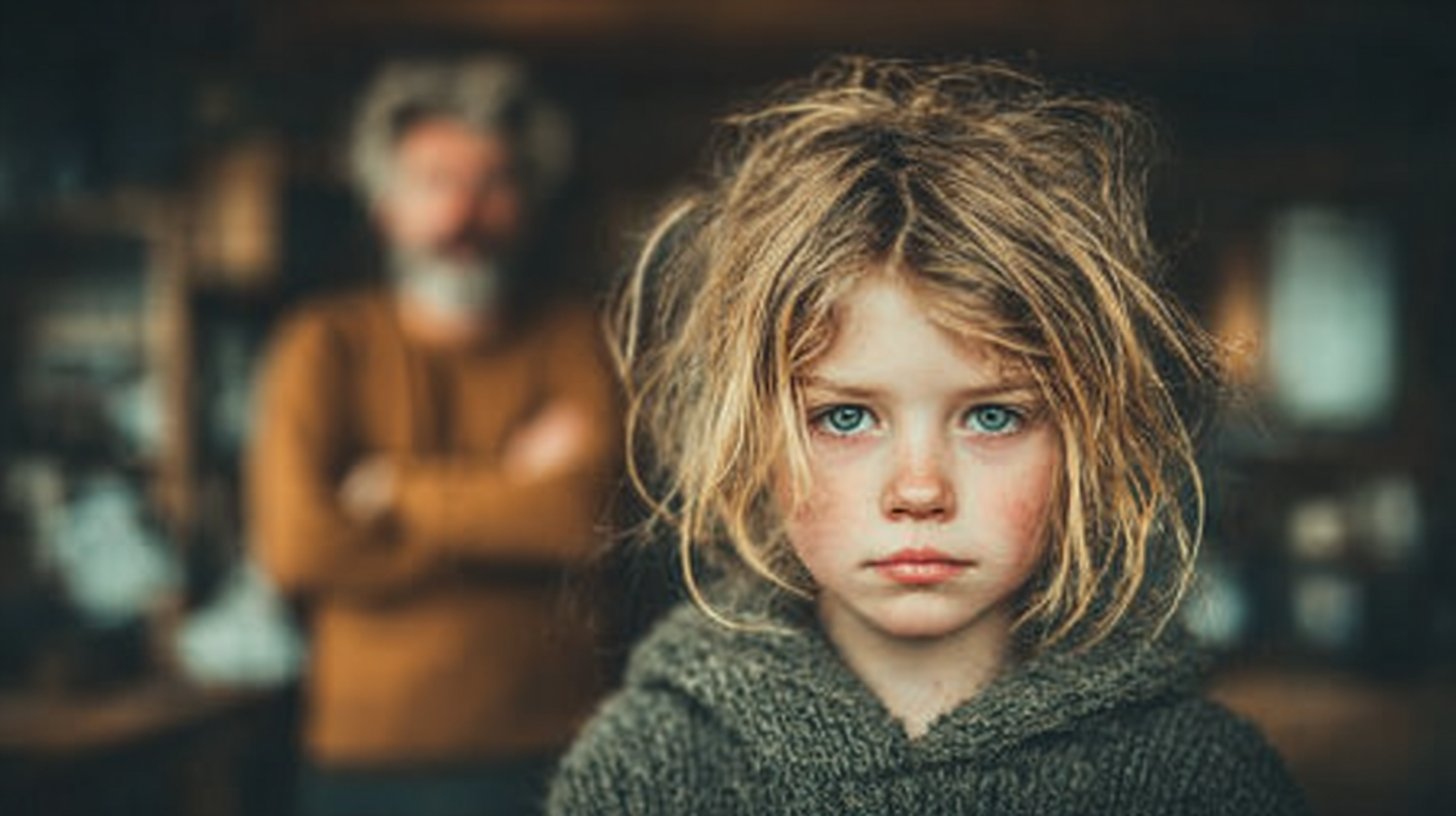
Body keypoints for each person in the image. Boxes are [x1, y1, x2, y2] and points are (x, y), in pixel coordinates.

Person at [548, 57, 1308, 814]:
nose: (919, 490)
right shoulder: (645, 770)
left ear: (1086, 439)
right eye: (845, 417)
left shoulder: (1202, 779)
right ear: (751, 437)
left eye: (992, 416)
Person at [248, 56, 619, 816]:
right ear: (384, 206)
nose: (464, 210)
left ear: (528, 204)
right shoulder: (321, 343)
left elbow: (585, 523)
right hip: (366, 760)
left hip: (552, 747)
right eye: (434, 180)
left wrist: (390, 489)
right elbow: (297, 545)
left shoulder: (574, 337)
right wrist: (507, 496)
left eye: (492, 182)